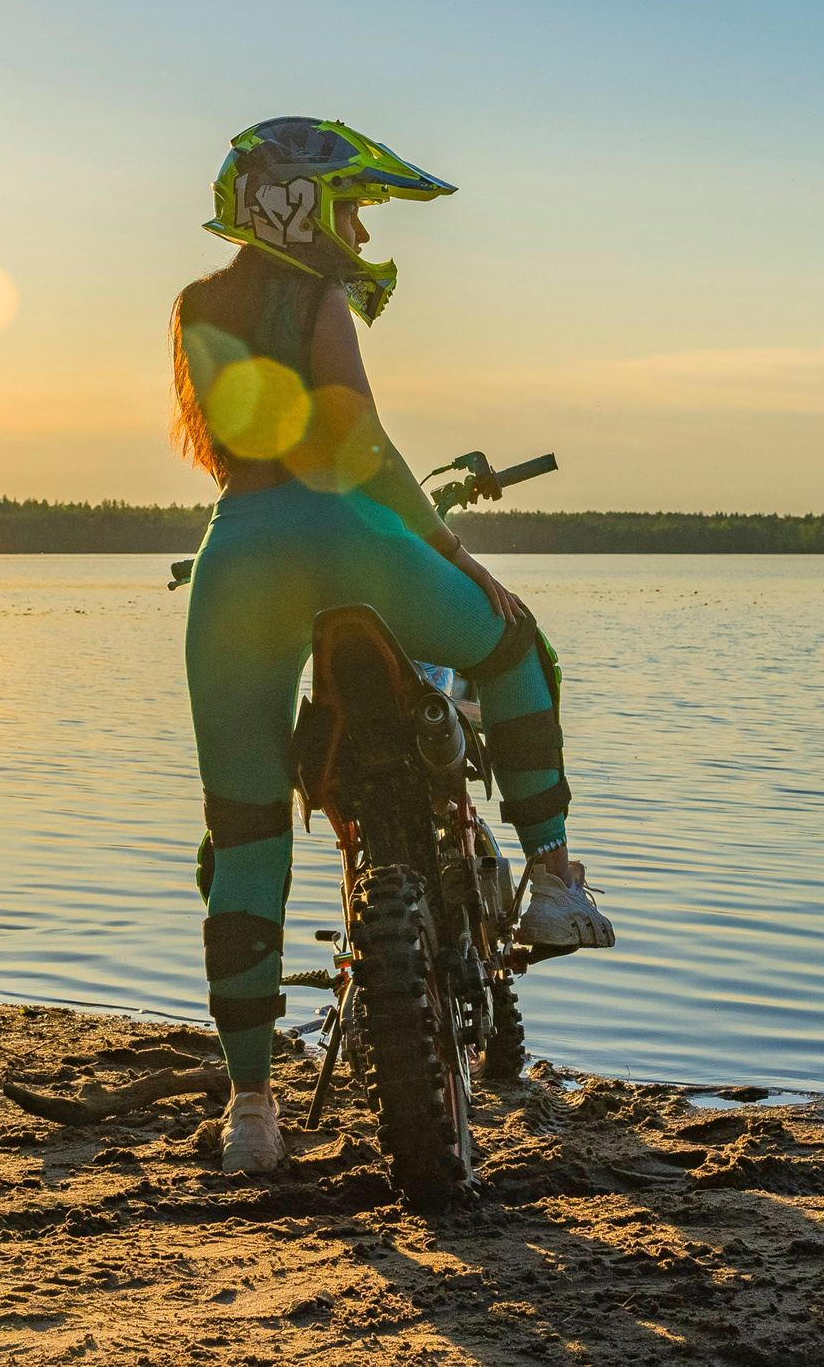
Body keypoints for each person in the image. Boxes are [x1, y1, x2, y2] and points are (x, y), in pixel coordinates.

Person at [170, 116, 616, 1175]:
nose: (361, 226)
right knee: (511, 646)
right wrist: (454, 551)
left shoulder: (195, 307)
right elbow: (356, 443)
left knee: (241, 837)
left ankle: (251, 1115)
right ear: (302, 205)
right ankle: (551, 876)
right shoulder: (317, 299)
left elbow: (232, 445)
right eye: (351, 204)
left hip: (236, 563)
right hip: (348, 537)